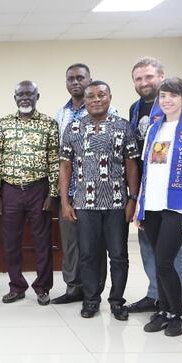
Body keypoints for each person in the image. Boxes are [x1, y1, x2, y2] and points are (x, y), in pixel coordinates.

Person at [134, 77, 182, 336]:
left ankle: (177, 314)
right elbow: (147, 171)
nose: (167, 100)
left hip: (177, 208)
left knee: (165, 261)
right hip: (153, 205)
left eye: (172, 95)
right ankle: (163, 311)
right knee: (158, 261)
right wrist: (140, 206)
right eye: (163, 96)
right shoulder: (155, 128)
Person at [59, 81, 140, 320]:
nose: (96, 99)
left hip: (117, 202)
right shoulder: (73, 128)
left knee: (118, 255)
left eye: (101, 95)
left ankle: (117, 301)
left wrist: (132, 199)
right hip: (85, 203)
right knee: (88, 255)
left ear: (109, 97)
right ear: (84, 100)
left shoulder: (123, 127)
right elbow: (65, 166)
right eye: (91, 96)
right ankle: (91, 300)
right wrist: (65, 201)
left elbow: (132, 164)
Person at [0, 81, 59, 305]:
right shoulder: (3, 124)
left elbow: (54, 161)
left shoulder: (49, 124)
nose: (25, 98)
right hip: (10, 190)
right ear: (15, 97)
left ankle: (42, 287)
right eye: (21, 94)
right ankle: (17, 286)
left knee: (42, 241)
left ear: (38, 96)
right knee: (11, 241)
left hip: (39, 189)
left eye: (30, 94)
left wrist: (53, 192)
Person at [128, 57, 182, 315]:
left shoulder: (177, 108)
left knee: (172, 252)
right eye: (139, 78)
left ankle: (175, 305)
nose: (144, 82)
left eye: (149, 77)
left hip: (172, 193)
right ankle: (156, 296)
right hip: (146, 190)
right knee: (148, 247)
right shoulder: (136, 108)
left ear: (161, 76)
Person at [52, 63, 114, 305]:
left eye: (80, 78)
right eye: (71, 78)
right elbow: (60, 157)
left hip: (100, 195)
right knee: (70, 244)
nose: (75, 82)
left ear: (90, 79)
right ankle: (73, 288)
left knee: (95, 246)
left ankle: (94, 289)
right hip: (70, 191)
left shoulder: (110, 111)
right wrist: (61, 194)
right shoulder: (61, 114)